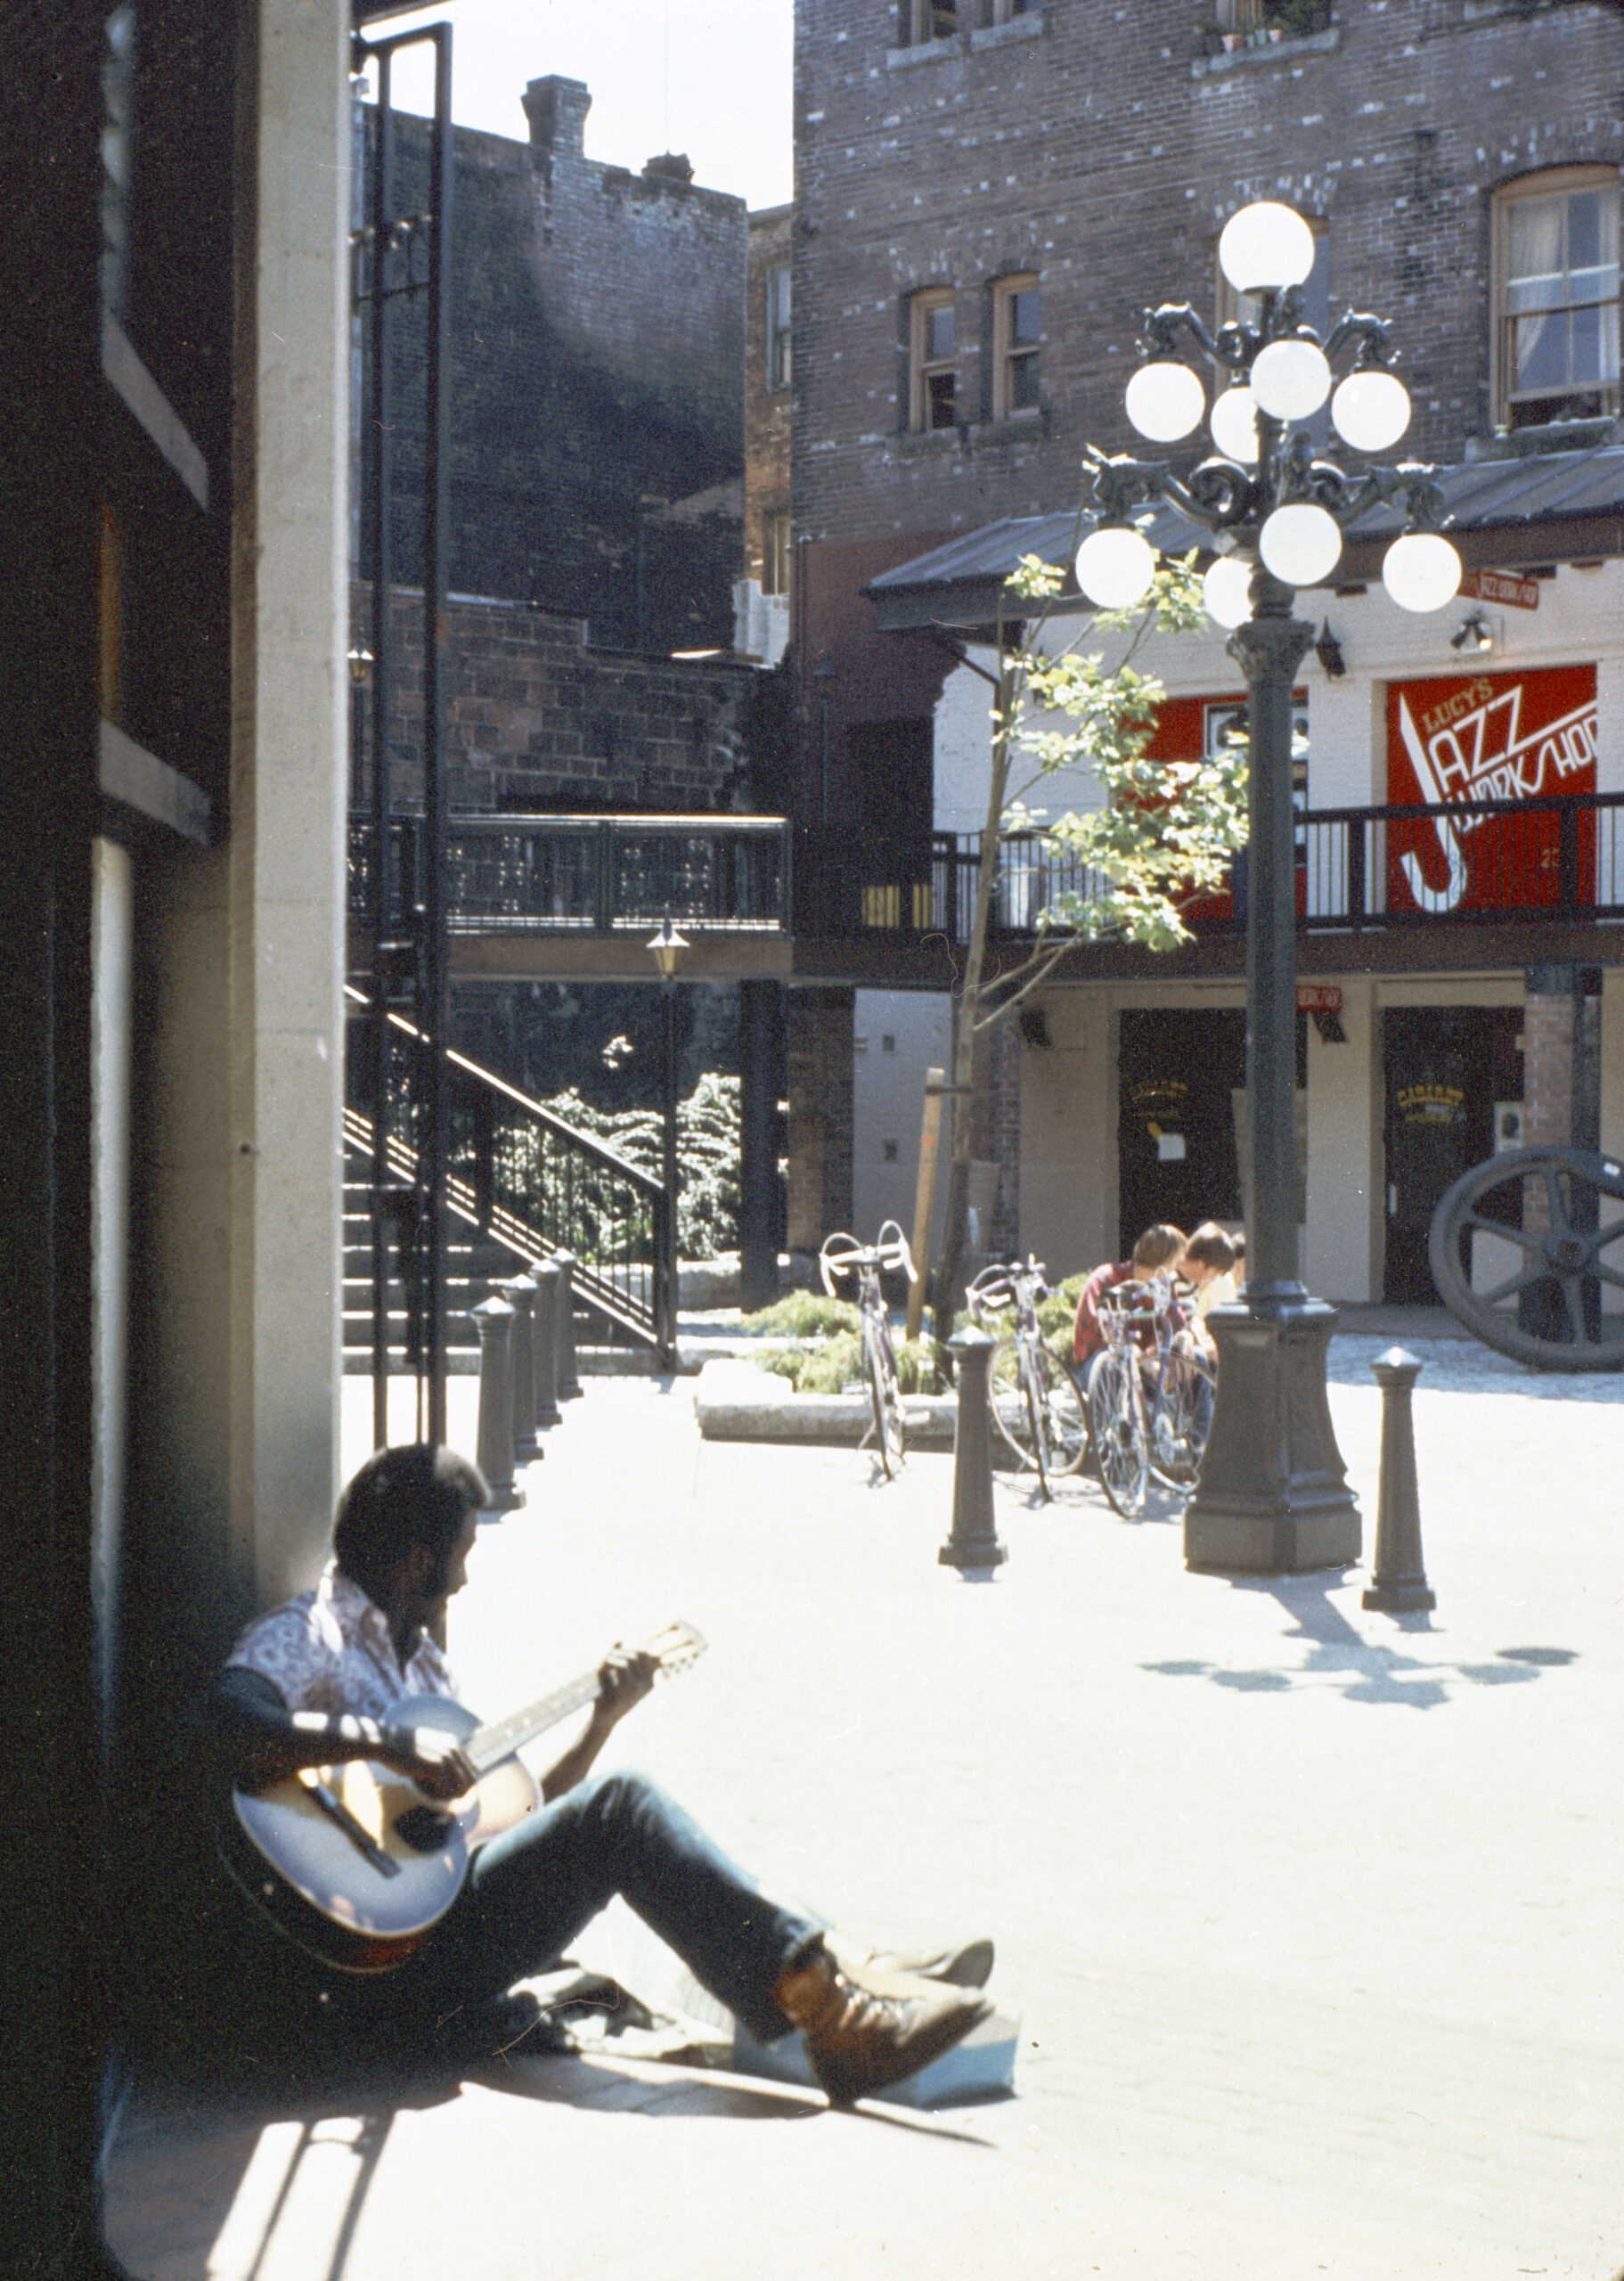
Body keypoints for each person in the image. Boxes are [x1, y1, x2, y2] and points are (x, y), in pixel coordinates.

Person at [208, 1443, 993, 2108]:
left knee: (613, 1802)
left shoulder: (418, 1658)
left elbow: (517, 1821)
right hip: (380, 1974)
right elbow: (224, 1721)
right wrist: (381, 1744)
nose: (466, 1581)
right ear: (418, 1565)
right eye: (461, 1559)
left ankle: (854, 1972)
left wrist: (601, 1719)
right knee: (623, 1804)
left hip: (433, 1927)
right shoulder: (310, 1633)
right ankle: (837, 2017)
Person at [1071, 1222, 1187, 1371]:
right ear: (1164, 1262)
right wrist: (1133, 1352)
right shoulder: (1105, 1279)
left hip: (1145, 1360)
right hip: (1102, 1362)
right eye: (1176, 1263)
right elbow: (1099, 1333)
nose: (1176, 1271)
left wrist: (1185, 1337)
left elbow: (1177, 1324)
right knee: (1120, 1367)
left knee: (1195, 1357)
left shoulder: (1164, 1285)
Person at [1177, 1223, 1239, 1362]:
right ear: (1200, 1264)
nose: (1213, 1278)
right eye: (1215, 1272)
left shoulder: (1191, 1285)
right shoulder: (1173, 1281)